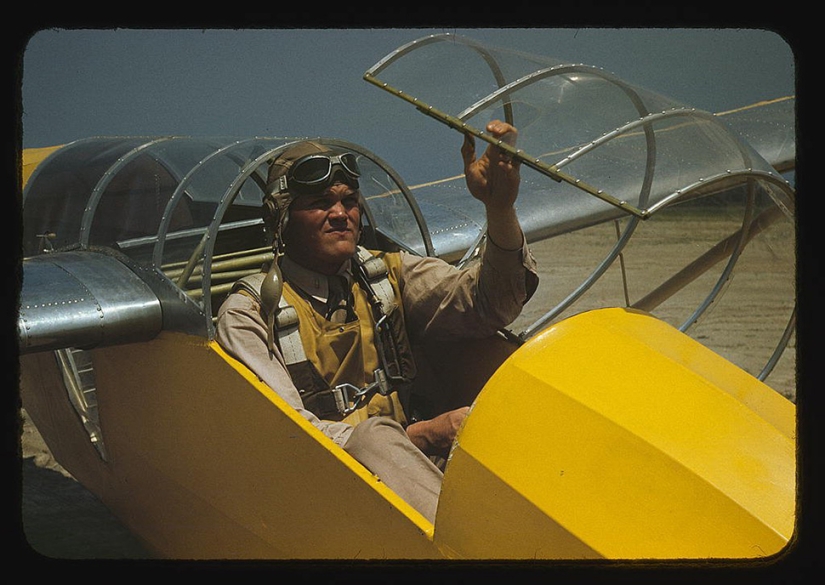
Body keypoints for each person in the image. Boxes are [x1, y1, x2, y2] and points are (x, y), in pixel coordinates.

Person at [216, 121, 538, 523]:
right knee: (373, 437)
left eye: (349, 200)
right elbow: (291, 433)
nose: (341, 214)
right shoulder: (250, 313)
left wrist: (500, 208)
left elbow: (492, 304)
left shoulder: (384, 276)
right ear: (282, 219)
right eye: (319, 202)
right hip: (322, 490)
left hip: (408, 472)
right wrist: (420, 436)